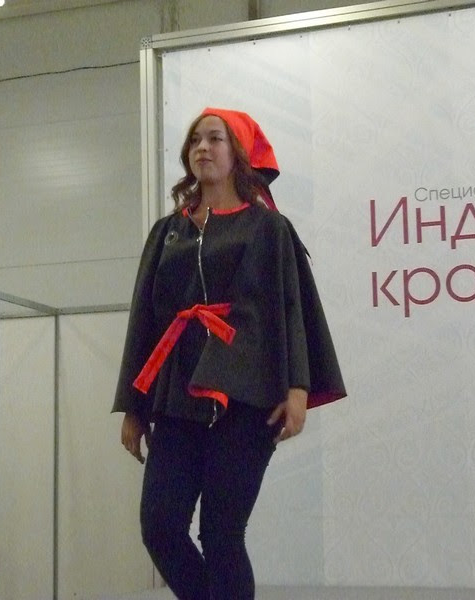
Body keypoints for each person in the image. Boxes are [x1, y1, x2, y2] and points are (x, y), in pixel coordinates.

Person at [112, 107, 346, 600]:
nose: (202, 147)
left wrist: (297, 388)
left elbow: (291, 309)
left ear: (238, 152)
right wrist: (134, 406)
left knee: (221, 534)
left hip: (247, 399)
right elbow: (145, 320)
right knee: (160, 526)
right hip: (178, 398)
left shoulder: (269, 228)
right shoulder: (167, 231)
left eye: (214, 138)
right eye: (195, 140)